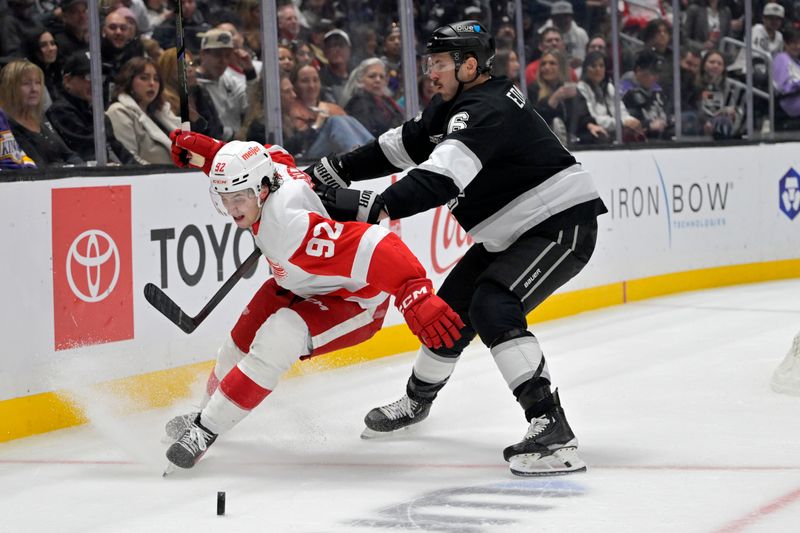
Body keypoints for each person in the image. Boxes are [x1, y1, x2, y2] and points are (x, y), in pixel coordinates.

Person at [305, 20, 607, 476]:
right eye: (429, 62)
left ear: (469, 65)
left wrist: (375, 205)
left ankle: (553, 430)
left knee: (493, 306)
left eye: (439, 63)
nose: (430, 71)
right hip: (514, 230)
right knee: (446, 317)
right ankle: (416, 402)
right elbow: (399, 146)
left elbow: (440, 178)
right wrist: (335, 169)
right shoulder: (454, 104)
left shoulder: (484, 110)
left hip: (559, 223)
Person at [162, 130, 464, 469]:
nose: (232, 209)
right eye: (224, 197)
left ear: (263, 189)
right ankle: (207, 410)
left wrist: (414, 290)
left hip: (353, 298)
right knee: (238, 342)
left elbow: (377, 244)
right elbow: (270, 156)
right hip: (303, 280)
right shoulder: (269, 172)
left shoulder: (287, 227)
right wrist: (212, 153)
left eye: (240, 198)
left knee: (280, 335)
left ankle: (205, 431)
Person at [47, 52, 138, 164]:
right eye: (88, 76)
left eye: (100, 76)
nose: (96, 82)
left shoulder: (97, 113)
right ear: (67, 80)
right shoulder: (60, 112)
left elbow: (119, 150)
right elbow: (88, 151)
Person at [0, 59, 83, 167]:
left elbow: (68, 154)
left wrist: (82, 167)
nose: (34, 89)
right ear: (9, 88)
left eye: (38, 83)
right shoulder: (5, 124)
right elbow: (34, 165)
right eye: (26, 84)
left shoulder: (41, 118)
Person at [106, 56, 179, 164]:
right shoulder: (119, 112)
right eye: (144, 78)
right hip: (149, 178)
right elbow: (128, 159)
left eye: (156, 79)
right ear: (129, 81)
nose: (152, 83)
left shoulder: (162, 112)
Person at [576, 51, 642, 143]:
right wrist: (621, 123)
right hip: (594, 130)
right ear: (586, 69)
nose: (598, 69)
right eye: (593, 66)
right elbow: (593, 117)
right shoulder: (581, 88)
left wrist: (631, 121)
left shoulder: (609, 87)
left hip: (614, 128)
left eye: (601, 66)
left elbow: (621, 111)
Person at [157, 47, 223, 138]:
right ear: (168, 71)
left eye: (191, 64)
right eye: (183, 66)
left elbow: (216, 127)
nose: (190, 69)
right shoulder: (164, 102)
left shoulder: (200, 92)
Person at [342, 58, 404, 139]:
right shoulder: (358, 103)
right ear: (360, 80)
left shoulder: (386, 102)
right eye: (372, 76)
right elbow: (365, 137)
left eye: (381, 77)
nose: (378, 80)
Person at [772, 27, 800, 130]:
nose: (797, 46)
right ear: (786, 44)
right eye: (794, 43)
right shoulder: (782, 58)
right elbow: (781, 87)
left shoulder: (797, 62)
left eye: (799, 43)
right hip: (790, 101)